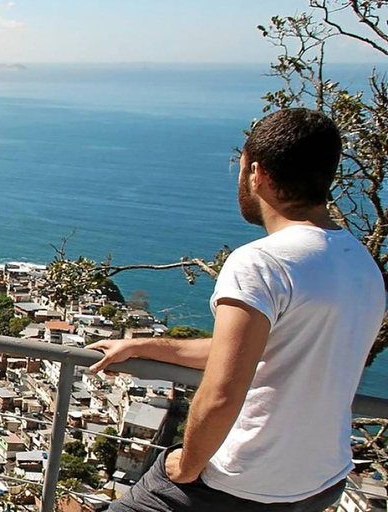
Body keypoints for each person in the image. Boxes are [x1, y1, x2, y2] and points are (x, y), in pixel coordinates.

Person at [87, 108, 385, 512]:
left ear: (257, 174)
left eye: (241, 167)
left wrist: (185, 466)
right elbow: (255, 350)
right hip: (319, 480)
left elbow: (223, 393)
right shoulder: (359, 260)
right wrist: (145, 347)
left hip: (240, 482)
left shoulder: (262, 262)